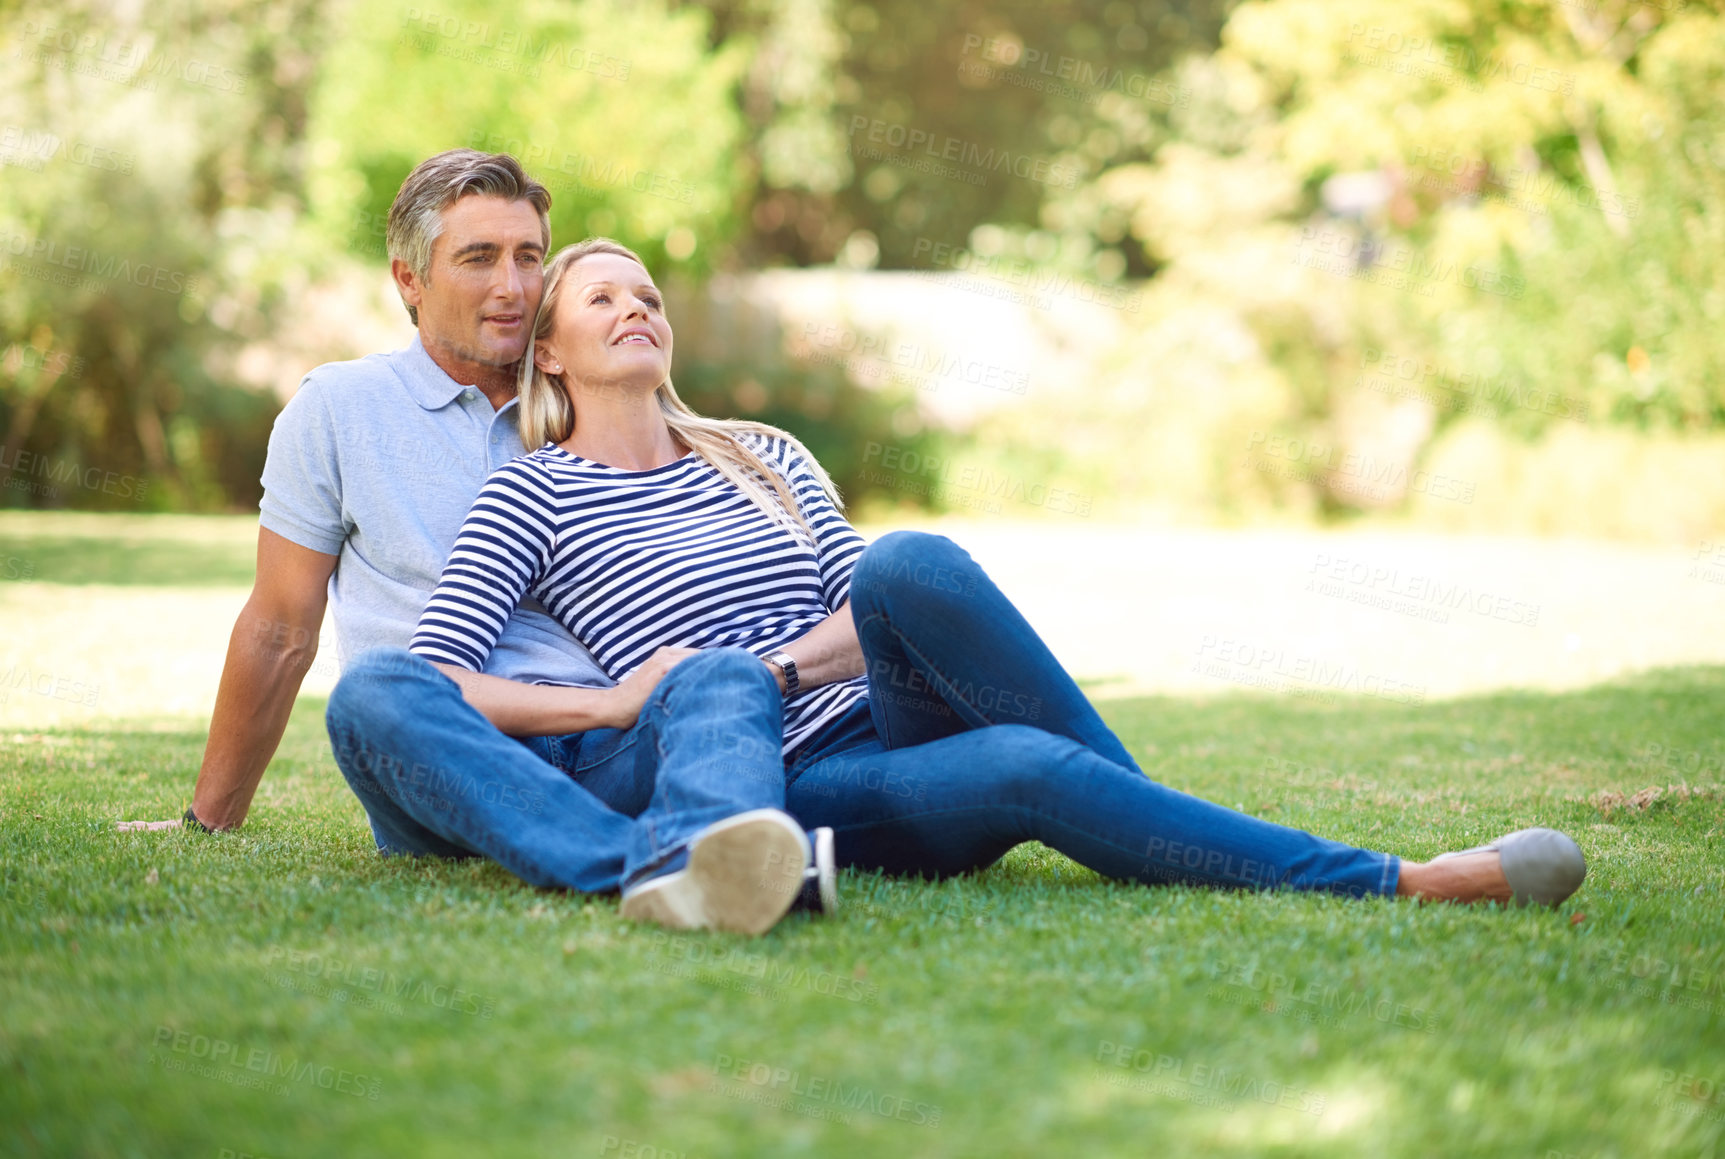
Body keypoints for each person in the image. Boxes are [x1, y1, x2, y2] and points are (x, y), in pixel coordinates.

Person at [405, 236, 1589, 917]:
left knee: (910, 559)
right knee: (1025, 766)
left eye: (650, 295)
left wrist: (770, 661)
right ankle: (1403, 882)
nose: (637, 309)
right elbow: (445, 679)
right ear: (550, 349)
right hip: (793, 776)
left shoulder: (764, 453)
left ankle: (1134, 813)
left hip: (885, 705)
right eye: (602, 296)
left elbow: (870, 610)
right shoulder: (533, 490)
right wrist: (625, 704)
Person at [119, 150, 839, 936]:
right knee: (374, 690)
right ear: (409, 280)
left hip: (616, 752)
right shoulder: (340, 410)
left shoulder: (592, 392)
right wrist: (210, 817)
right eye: (478, 258)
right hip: (449, 755)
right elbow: (281, 623)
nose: (512, 287)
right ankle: (667, 861)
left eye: (529, 257)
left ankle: (681, 857)